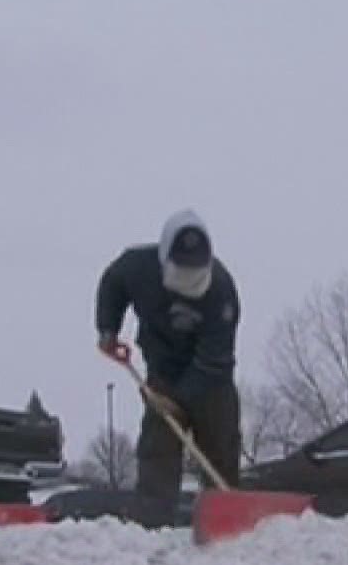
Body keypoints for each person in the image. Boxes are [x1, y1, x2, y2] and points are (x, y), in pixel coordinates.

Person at [95, 209, 242, 509]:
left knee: (220, 452)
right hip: (163, 370)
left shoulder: (222, 292)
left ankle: (226, 518)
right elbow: (113, 283)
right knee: (157, 449)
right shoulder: (137, 268)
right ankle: (153, 520)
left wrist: (176, 400)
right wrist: (108, 329)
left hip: (211, 380)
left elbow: (214, 359)